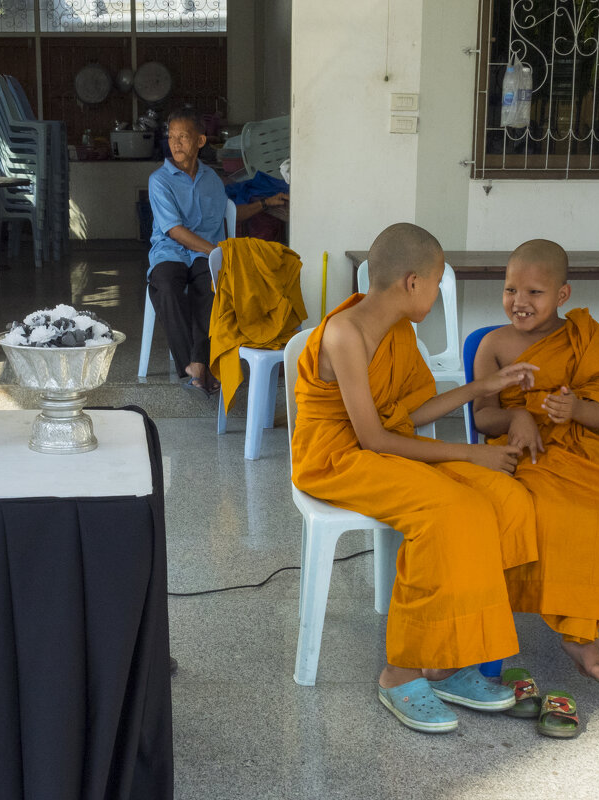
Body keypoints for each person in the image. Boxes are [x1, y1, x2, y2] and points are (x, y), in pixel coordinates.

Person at [291, 222, 541, 734]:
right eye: (435, 281)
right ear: (412, 283)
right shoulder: (346, 332)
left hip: (382, 448)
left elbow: (415, 412)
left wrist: (482, 386)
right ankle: (400, 669)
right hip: (336, 459)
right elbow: (372, 439)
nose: (436, 291)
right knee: (453, 510)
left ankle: (447, 662)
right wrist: (469, 456)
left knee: (503, 497)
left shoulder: (400, 332)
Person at [472, 239, 599, 689]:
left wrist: (577, 409)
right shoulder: (494, 345)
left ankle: (583, 627)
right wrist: (520, 413)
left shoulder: (584, 339)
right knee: (553, 517)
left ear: (563, 295)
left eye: (534, 293)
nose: (519, 302)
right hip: (528, 454)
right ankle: (577, 632)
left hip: (584, 452)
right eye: (510, 290)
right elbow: (482, 416)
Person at [146, 107, 286, 397]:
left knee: (211, 289)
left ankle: (198, 363)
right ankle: (194, 364)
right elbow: (174, 231)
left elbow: (230, 212)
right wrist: (217, 251)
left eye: (183, 137)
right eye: (171, 137)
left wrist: (266, 203)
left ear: (200, 141)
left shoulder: (212, 179)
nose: (175, 144)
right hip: (170, 252)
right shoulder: (159, 180)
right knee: (166, 288)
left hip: (201, 257)